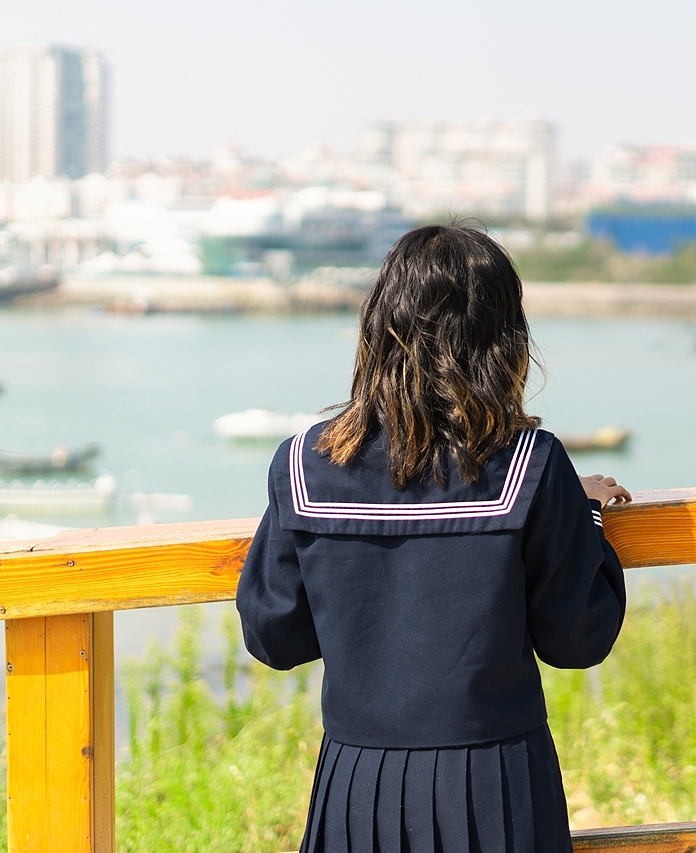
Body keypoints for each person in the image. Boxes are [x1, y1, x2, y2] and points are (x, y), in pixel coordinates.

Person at [236, 224, 631, 853]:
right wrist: (584, 513)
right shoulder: (532, 464)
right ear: (504, 340)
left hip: (355, 787)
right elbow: (577, 639)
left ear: (376, 327)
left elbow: (275, 638)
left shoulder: (302, 464)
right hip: (499, 784)